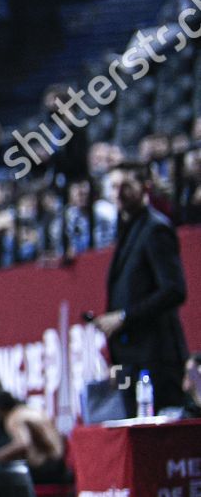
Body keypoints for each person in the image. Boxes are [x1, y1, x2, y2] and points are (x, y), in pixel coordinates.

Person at [95, 164, 189, 415]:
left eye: (126, 186)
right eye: (114, 187)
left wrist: (124, 317)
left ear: (145, 187)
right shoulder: (127, 230)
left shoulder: (155, 229)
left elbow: (174, 290)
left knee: (157, 430)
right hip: (130, 359)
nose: (118, 193)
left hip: (156, 358)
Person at [0, 392, 68, 488]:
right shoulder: (29, 411)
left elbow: (22, 444)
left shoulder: (13, 417)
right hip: (59, 464)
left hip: (46, 468)